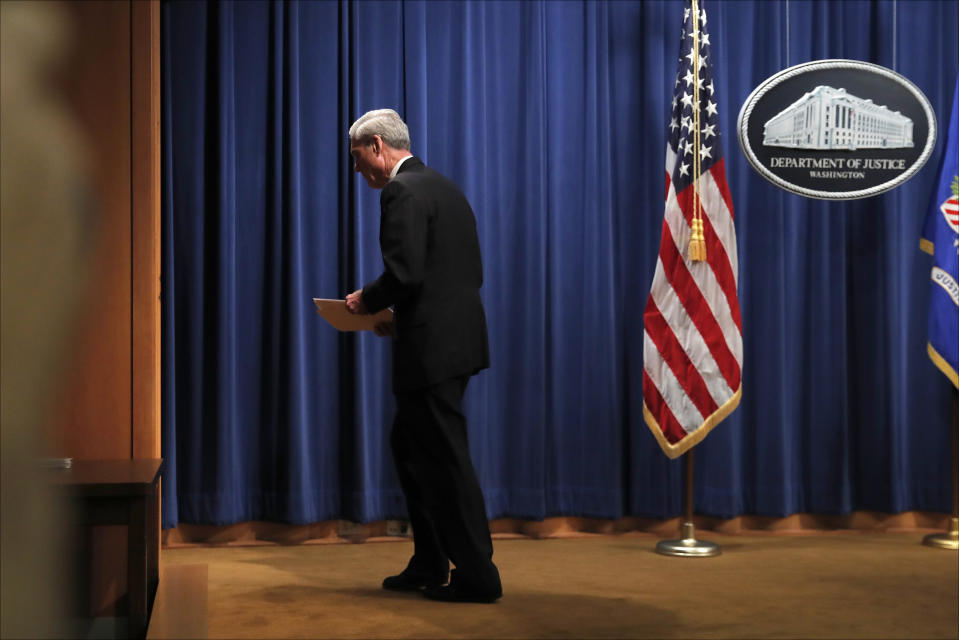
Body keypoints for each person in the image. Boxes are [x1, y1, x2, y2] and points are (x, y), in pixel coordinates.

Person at [344, 109, 501, 603]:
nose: (357, 171)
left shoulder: (401, 191)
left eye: (356, 159)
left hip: (433, 351)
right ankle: (430, 561)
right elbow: (454, 273)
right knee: (412, 451)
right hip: (452, 339)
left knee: (444, 458)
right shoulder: (445, 187)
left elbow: (405, 274)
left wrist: (366, 301)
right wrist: (404, 317)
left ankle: (477, 575)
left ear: (375, 145)